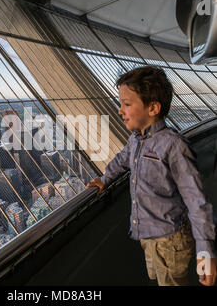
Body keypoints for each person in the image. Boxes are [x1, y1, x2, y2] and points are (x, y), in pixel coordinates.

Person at [87, 65, 217, 286]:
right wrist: (104, 178)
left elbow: (197, 201)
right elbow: (122, 160)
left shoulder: (173, 146)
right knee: (157, 280)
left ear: (153, 108)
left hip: (170, 238)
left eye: (127, 104)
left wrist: (206, 251)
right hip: (148, 236)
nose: (120, 110)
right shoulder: (135, 140)